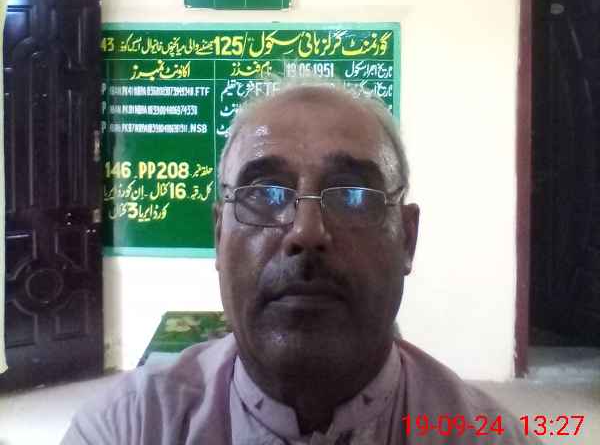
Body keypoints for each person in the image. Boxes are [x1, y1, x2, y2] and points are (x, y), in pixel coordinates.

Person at [62, 81, 528, 444]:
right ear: (219, 235)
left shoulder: (486, 436)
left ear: (407, 238)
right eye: (265, 194)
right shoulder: (130, 427)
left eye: (351, 195)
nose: (306, 232)